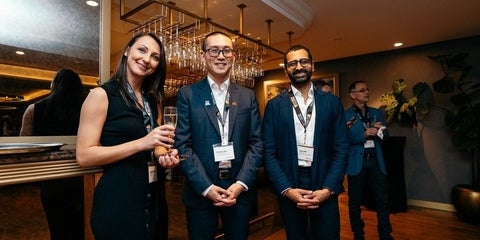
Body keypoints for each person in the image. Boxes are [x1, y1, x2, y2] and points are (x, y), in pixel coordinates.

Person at [76, 32, 180, 240]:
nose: (146, 59)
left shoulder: (152, 100)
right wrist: (142, 143)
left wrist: (164, 156)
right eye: (141, 50)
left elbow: (156, 145)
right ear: (127, 51)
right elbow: (84, 156)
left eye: (155, 56)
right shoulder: (101, 95)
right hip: (119, 201)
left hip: (154, 199)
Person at [174, 31, 263, 240]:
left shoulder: (247, 96)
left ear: (233, 56)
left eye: (226, 51)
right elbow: (183, 145)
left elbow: (257, 143)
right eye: (214, 50)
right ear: (203, 56)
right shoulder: (188, 94)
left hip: (238, 191)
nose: (221, 56)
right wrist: (206, 187)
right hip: (201, 191)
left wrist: (240, 184)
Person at [262, 44, 349, 240]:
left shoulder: (332, 102)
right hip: (290, 180)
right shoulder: (274, 106)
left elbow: (341, 148)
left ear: (313, 65)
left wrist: (328, 189)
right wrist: (286, 189)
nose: (298, 67)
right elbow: (268, 151)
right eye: (292, 63)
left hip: (324, 178)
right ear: (286, 69)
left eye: (303, 61)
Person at [20, 68, 86, 240]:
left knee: (57, 226)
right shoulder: (87, 110)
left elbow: (25, 144)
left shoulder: (34, 109)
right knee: (81, 226)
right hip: (82, 175)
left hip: (51, 177)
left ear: (54, 85)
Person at [344, 80, 393, 240]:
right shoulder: (345, 115)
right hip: (357, 163)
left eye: (367, 89)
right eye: (362, 90)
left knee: (383, 200)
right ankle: (358, 235)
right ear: (353, 95)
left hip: (376, 161)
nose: (367, 93)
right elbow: (342, 140)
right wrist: (363, 135)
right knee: (354, 203)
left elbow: (386, 135)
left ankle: (385, 234)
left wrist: (379, 131)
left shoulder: (376, 112)